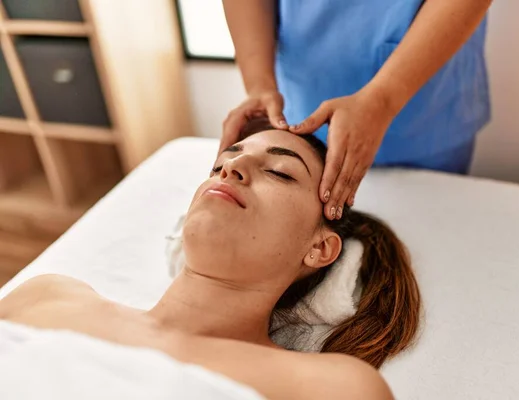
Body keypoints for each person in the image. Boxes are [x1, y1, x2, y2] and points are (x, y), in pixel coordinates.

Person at [0, 123, 421, 399]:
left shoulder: (331, 387)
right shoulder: (48, 295)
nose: (231, 167)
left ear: (319, 249)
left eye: (279, 172)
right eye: (221, 163)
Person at [220, 0, 493, 221]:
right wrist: (259, 84)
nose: (230, 170)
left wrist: (383, 99)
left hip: (426, 112)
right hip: (302, 94)